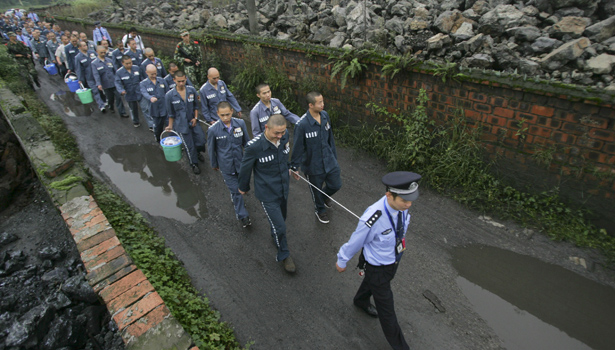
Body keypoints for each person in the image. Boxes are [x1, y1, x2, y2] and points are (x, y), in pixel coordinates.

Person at [336, 171, 421, 350]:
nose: (409, 204)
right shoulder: (373, 217)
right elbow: (356, 240)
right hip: (377, 267)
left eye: (410, 200)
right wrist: (342, 260)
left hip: (393, 260)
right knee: (387, 312)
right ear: (389, 195)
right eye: (404, 201)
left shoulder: (402, 208)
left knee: (373, 283)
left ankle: (361, 300)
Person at [238, 114, 295, 273]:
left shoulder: (284, 137)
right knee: (281, 227)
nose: (279, 136)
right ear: (266, 128)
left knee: (281, 219)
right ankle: (284, 255)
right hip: (267, 193)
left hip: (283, 188)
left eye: (282, 132)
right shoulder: (253, 147)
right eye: (276, 133)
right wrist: (243, 187)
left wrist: (291, 167)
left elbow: (284, 157)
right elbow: (245, 168)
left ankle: (275, 233)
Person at [290, 92, 342, 224]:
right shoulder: (302, 125)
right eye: (320, 103)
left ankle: (324, 197)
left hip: (329, 160)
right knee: (316, 190)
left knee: (336, 184)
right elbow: (298, 147)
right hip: (313, 165)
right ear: (310, 105)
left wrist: (334, 157)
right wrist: (294, 167)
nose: (323, 105)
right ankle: (320, 210)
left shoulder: (325, 116)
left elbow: (330, 138)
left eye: (323, 101)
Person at [207, 101, 251, 227]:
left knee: (242, 187)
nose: (225, 118)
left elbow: (246, 143)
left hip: (241, 164)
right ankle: (243, 216)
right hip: (226, 166)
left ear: (232, 111)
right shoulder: (213, 130)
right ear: (217, 114)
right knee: (236, 192)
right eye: (222, 115)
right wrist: (214, 164)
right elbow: (211, 149)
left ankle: (238, 198)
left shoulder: (240, 123)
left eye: (227, 114)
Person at [166, 70, 206, 175]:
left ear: (186, 79)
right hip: (181, 124)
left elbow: (196, 106)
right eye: (178, 81)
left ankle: (198, 152)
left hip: (193, 120)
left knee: (201, 139)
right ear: (174, 80)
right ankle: (194, 163)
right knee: (189, 145)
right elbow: (170, 113)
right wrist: (170, 126)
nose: (181, 83)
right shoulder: (169, 95)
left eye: (183, 81)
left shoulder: (191, 90)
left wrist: (196, 118)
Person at [92, 45, 127, 117]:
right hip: (106, 85)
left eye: (104, 52)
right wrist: (99, 84)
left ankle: (122, 112)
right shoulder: (94, 63)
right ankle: (111, 106)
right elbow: (96, 75)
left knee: (119, 98)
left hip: (114, 83)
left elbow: (115, 71)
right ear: (97, 52)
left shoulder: (109, 60)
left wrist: (119, 80)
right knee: (110, 98)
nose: (103, 54)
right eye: (101, 53)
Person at [75, 40, 106, 112]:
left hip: (98, 75)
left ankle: (104, 100)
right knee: (95, 91)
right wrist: (80, 79)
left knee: (102, 89)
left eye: (86, 45)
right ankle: (101, 105)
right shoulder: (78, 57)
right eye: (84, 46)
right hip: (89, 77)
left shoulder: (92, 53)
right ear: (79, 47)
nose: (86, 46)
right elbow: (79, 69)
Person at [140, 64, 169, 141]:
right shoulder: (143, 83)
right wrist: (150, 98)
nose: (154, 75)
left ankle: (172, 139)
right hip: (154, 109)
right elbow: (144, 93)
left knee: (169, 124)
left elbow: (168, 92)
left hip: (165, 107)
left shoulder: (162, 80)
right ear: (147, 73)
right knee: (157, 126)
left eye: (155, 73)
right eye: (151, 74)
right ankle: (158, 138)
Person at [115, 55, 143, 126]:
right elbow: (118, 83)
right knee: (133, 109)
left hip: (139, 91)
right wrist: (121, 90)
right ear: (122, 63)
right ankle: (136, 121)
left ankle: (151, 125)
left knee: (145, 108)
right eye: (127, 63)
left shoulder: (136, 68)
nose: (129, 65)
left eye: (130, 63)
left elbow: (142, 79)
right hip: (129, 93)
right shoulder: (119, 72)